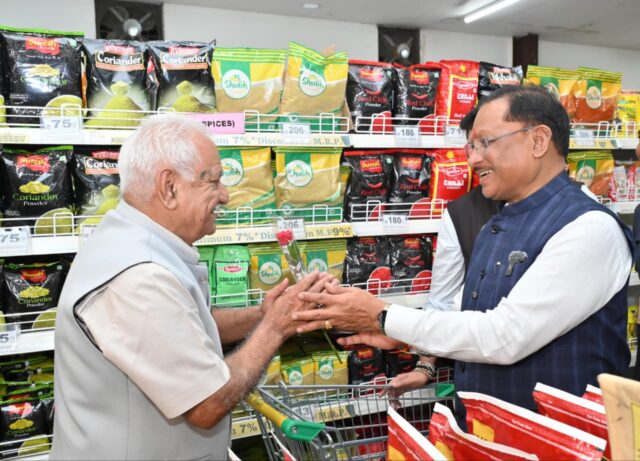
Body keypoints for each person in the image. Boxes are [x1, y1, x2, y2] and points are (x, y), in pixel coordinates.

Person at [294, 85, 634, 412]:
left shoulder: (589, 228)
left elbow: (505, 336)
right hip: (489, 431)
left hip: (560, 437)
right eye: (471, 146)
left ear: (538, 140)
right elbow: (467, 314)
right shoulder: (497, 223)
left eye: (485, 142)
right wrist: (398, 333)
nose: (473, 159)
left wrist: (383, 316)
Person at [51, 114, 333, 460]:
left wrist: (263, 314)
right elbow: (206, 403)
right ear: (169, 186)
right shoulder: (140, 279)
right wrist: (276, 327)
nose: (225, 196)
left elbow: (185, 329)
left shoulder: (130, 239)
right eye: (213, 181)